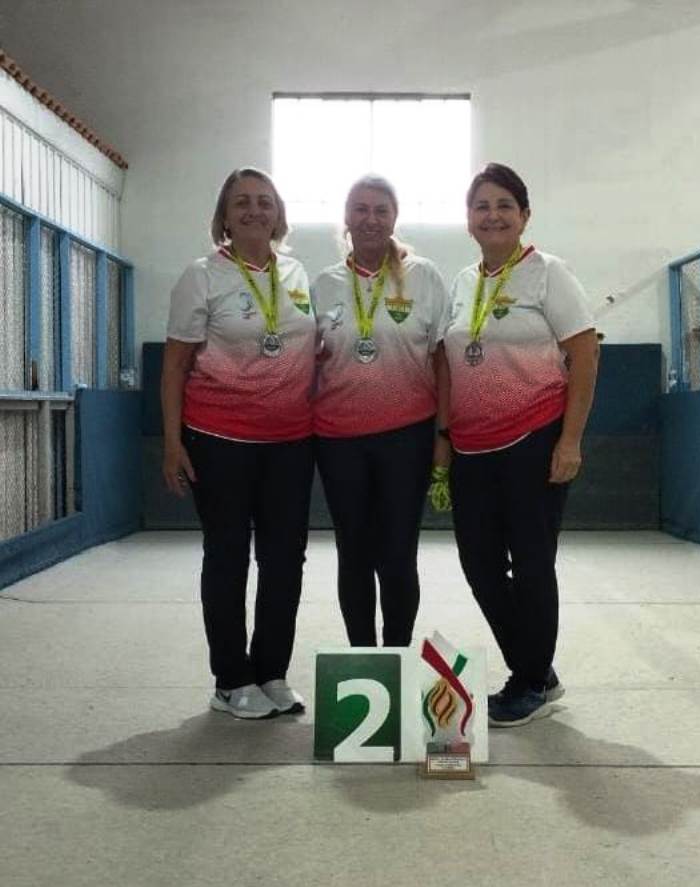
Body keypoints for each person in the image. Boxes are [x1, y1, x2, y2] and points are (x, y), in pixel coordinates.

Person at [440, 162, 598, 726]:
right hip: (471, 450)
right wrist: (444, 437)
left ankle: (528, 680)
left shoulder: (549, 273)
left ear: (525, 215)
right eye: (482, 206)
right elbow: (448, 362)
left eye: (505, 205)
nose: (493, 215)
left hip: (534, 439)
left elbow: (585, 353)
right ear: (468, 220)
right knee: (480, 566)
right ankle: (537, 669)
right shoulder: (464, 283)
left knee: (532, 564)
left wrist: (570, 440)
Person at [161, 167, 315, 719]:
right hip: (219, 439)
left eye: (264, 201)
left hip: (290, 443)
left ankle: (271, 670)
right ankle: (230, 679)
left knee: (285, 560)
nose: (254, 210)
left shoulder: (295, 272)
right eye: (242, 202)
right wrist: (172, 443)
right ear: (224, 216)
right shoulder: (201, 276)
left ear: (279, 214)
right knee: (227, 555)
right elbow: (175, 366)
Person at [312, 174, 450, 647]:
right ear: (346, 218)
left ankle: (396, 657)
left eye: (381, 210)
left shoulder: (424, 277)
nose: (370, 219)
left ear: (394, 219)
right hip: (338, 440)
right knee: (353, 552)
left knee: (397, 554)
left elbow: (443, 359)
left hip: (407, 436)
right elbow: (310, 362)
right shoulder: (323, 285)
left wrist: (443, 435)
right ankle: (362, 658)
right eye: (361, 209)